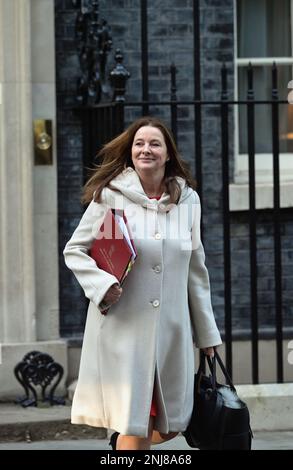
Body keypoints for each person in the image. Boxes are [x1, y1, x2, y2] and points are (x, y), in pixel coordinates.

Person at [63, 116, 222, 451]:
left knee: (170, 425)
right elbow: (76, 250)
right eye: (139, 144)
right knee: (140, 421)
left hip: (170, 336)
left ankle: (121, 444)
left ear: (167, 154)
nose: (145, 149)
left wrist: (206, 334)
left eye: (154, 144)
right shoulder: (111, 197)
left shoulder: (187, 201)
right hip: (124, 333)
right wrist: (103, 284)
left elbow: (196, 269)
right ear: (131, 153)